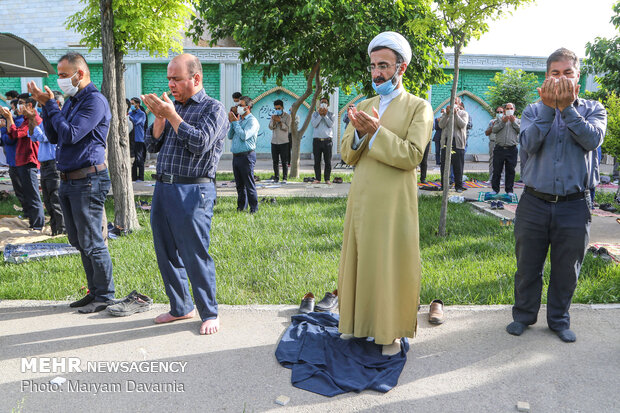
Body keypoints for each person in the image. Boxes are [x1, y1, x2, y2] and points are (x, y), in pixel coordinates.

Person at [338, 31, 433, 356]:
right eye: (373, 66)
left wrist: (376, 132)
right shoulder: (364, 105)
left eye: (384, 66)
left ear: (401, 68)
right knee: (360, 261)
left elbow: (411, 155)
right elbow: (347, 155)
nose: (377, 72)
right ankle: (356, 324)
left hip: (393, 203)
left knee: (388, 264)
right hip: (362, 200)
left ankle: (389, 333)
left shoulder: (419, 108)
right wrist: (359, 136)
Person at [507, 48, 606, 343]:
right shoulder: (533, 110)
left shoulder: (594, 109)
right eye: (555, 73)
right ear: (546, 77)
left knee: (567, 268)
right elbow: (527, 145)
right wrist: (551, 109)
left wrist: (568, 110)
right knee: (527, 265)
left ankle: (559, 320)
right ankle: (524, 316)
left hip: (575, 204)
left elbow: (591, 139)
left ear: (578, 78)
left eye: (567, 73)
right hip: (534, 202)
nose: (561, 78)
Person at [142, 53, 228, 335]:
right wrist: (159, 118)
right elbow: (151, 146)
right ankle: (181, 307)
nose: (172, 84)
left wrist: (172, 116)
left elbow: (200, 143)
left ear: (196, 78)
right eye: (169, 79)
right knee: (165, 252)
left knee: (194, 253)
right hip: (164, 188)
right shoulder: (170, 109)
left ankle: (210, 312)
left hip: (193, 190)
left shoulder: (213, 109)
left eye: (176, 79)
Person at [28, 52, 115, 313]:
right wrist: (47, 106)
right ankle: (94, 292)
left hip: (88, 179)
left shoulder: (94, 101)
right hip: (68, 179)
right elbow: (56, 136)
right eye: (59, 75)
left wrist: (52, 104)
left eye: (64, 75)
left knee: (92, 241)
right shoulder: (72, 100)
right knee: (78, 240)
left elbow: (72, 134)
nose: (61, 80)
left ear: (81, 74)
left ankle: (106, 296)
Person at [1, 94, 45, 230]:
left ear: (29, 106)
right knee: (27, 193)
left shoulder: (33, 119)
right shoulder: (25, 120)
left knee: (32, 194)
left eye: (21, 103)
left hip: (29, 160)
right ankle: (33, 222)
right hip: (21, 160)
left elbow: (17, 134)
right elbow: (13, 134)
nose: (18, 106)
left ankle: (38, 225)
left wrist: (9, 118)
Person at [28, 92, 65, 235]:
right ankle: (55, 229)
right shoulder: (44, 122)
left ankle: (62, 230)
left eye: (45, 105)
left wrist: (34, 121)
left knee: (56, 199)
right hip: (44, 165)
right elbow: (32, 136)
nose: (42, 109)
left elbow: (45, 137)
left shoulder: (59, 121)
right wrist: (31, 119)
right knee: (48, 200)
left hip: (54, 164)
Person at [227, 95, 259, 213]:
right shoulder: (239, 120)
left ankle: (254, 209)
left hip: (247, 156)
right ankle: (241, 207)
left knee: (249, 184)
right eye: (237, 105)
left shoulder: (252, 121)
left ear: (248, 107)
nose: (238, 107)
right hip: (236, 156)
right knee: (239, 185)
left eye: (240, 105)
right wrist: (233, 122)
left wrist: (235, 123)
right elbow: (230, 136)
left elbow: (244, 136)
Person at [439, 97, 469, 192]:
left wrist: (456, 114)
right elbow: (441, 125)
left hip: (457, 143)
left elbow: (462, 125)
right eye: (452, 102)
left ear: (459, 104)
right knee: (444, 166)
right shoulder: (445, 114)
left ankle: (458, 186)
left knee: (458, 166)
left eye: (456, 102)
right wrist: (447, 115)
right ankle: (444, 186)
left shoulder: (463, 113)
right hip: (446, 142)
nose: (454, 103)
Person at [0, 99, 25, 207]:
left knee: (22, 190)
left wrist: (3, 129)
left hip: (17, 161)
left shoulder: (18, 122)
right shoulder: (17, 120)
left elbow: (10, 139)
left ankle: (30, 215)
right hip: (14, 160)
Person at [491, 102, 520, 195]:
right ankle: (495, 189)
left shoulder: (518, 121)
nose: (509, 110)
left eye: (511, 109)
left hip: (512, 149)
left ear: (514, 110)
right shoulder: (499, 120)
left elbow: (520, 130)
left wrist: (513, 122)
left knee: (510, 171)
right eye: (507, 109)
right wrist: (503, 122)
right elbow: (494, 130)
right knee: (497, 170)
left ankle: (509, 190)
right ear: (504, 110)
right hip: (499, 148)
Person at [311, 97, 335, 184]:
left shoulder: (331, 114)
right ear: (319, 104)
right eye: (321, 102)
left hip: (327, 141)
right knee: (317, 161)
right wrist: (320, 115)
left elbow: (330, 125)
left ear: (328, 105)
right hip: (317, 140)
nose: (323, 104)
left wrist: (325, 116)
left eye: (325, 102)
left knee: (327, 161)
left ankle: (327, 179)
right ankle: (317, 178)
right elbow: (314, 124)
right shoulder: (315, 114)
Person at [268, 99, 291, 182]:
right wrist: (274, 121)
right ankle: (276, 177)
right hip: (274, 141)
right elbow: (270, 127)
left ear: (282, 108)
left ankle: (284, 178)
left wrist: (280, 121)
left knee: (284, 161)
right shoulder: (273, 116)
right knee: (275, 161)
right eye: (276, 109)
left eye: (279, 108)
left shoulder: (287, 116)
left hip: (284, 142)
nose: (277, 110)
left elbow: (287, 128)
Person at [129, 97, 147, 181]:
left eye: (133, 104)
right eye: (131, 104)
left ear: (138, 104)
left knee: (140, 159)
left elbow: (136, 122)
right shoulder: (130, 113)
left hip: (139, 139)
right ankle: (134, 177)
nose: (131, 105)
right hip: (132, 140)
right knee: (133, 160)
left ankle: (141, 177)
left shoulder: (141, 114)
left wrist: (128, 116)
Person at [485, 105, 504, 181]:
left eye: (501, 112)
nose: (499, 113)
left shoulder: (505, 121)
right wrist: (492, 127)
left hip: (502, 143)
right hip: (493, 143)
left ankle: (502, 179)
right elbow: (486, 133)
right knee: (492, 161)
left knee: (502, 161)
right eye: (498, 112)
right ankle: (491, 178)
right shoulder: (492, 122)